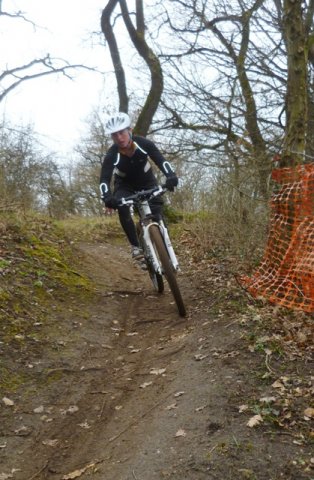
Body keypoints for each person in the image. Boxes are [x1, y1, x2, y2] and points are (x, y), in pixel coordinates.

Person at [99, 112, 178, 266]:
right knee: (122, 208)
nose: (119, 138)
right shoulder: (111, 154)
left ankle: (163, 243)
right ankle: (136, 246)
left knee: (157, 213)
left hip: (147, 181)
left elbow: (162, 161)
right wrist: (107, 197)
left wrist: (171, 176)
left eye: (121, 132)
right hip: (124, 185)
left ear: (130, 130)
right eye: (114, 135)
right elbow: (104, 179)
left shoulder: (144, 144)